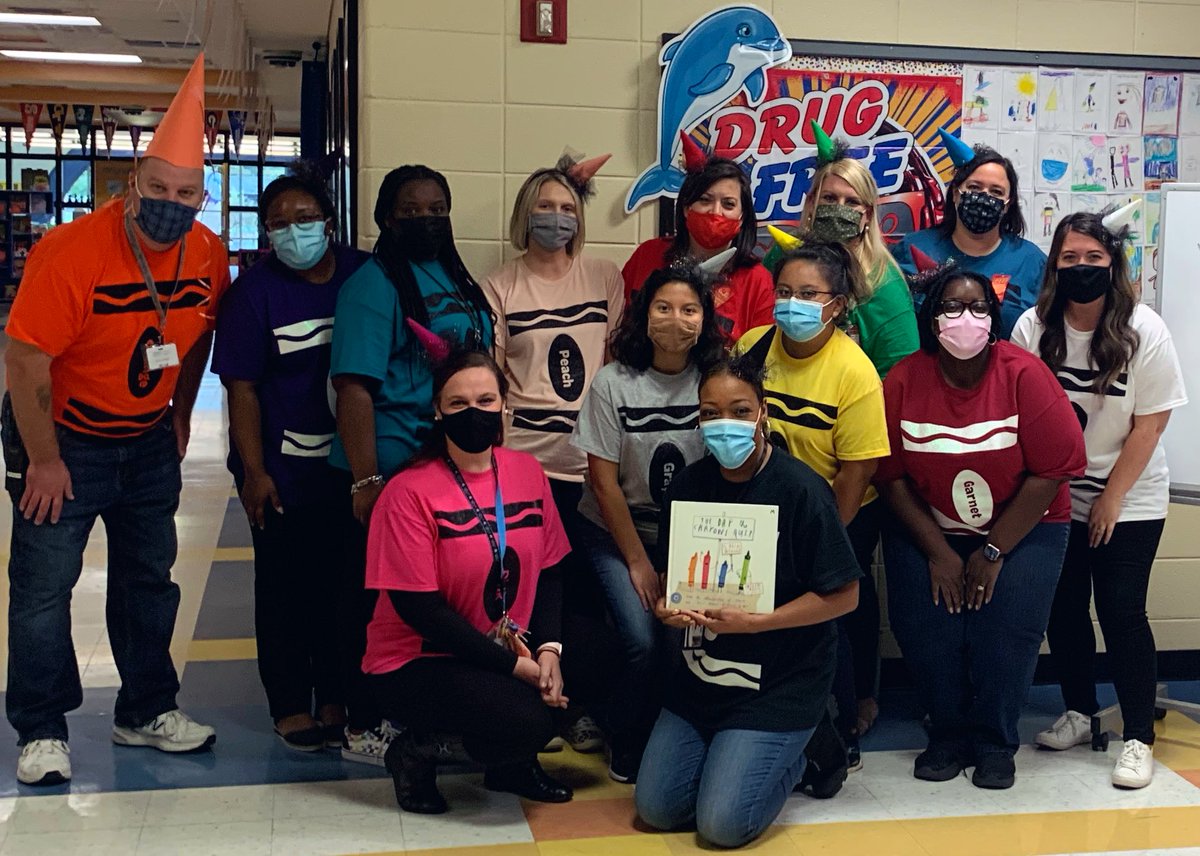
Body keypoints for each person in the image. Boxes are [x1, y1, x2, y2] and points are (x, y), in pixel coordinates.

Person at [1, 55, 225, 786]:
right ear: (134, 180)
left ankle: (147, 710)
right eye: (158, 188)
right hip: (62, 437)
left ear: (202, 195)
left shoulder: (207, 253)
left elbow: (199, 335)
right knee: (44, 587)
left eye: (185, 193)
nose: (170, 203)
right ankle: (41, 729)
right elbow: (25, 359)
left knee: (148, 580)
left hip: (148, 438)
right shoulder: (70, 252)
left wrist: (180, 414)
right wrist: (44, 460)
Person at [635, 356, 861, 849]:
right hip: (702, 678)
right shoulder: (688, 486)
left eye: (739, 411)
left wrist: (760, 622)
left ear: (763, 414)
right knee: (656, 809)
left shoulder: (802, 490)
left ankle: (811, 747)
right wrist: (667, 608)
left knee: (721, 826)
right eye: (710, 413)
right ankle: (735, 756)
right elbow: (674, 577)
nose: (725, 424)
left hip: (778, 682)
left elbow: (846, 595)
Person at [875, 266, 1085, 790]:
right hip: (928, 524)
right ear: (932, 318)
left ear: (993, 318)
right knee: (927, 627)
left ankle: (994, 741)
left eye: (977, 307)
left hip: (1024, 525)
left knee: (1005, 631)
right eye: (951, 306)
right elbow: (890, 476)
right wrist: (939, 553)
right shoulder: (902, 380)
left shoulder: (1024, 374)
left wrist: (992, 552)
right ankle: (946, 734)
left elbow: (1052, 471)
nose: (964, 317)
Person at [1012, 208, 1186, 789]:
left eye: (1094, 257)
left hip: (1129, 493)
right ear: (1054, 266)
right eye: (1070, 257)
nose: (1082, 267)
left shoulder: (1143, 328)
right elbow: (1022, 412)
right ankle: (1081, 713)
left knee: (1121, 610)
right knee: (1063, 608)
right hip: (1058, 490)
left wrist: (1111, 499)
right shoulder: (1033, 326)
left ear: (1113, 264)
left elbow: (1150, 425)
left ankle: (1138, 737)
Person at [330, 165, 494, 765]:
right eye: (410, 211)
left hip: (440, 472)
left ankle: (420, 715)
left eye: (436, 209)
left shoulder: (453, 273)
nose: (426, 220)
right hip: (389, 471)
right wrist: (367, 479)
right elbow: (353, 387)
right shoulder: (372, 285)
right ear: (385, 218)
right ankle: (362, 722)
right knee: (371, 606)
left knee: (427, 605)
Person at [366, 349, 575, 814]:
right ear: (437, 411)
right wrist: (516, 668)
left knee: (607, 659)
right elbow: (421, 611)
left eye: (485, 400)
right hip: (422, 657)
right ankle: (416, 751)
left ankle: (511, 766)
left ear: (504, 404)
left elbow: (550, 569)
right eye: (458, 403)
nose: (474, 413)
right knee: (531, 719)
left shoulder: (526, 471)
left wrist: (548, 651)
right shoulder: (407, 491)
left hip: (506, 639)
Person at [212, 163, 369, 751]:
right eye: (278, 224)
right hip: (282, 470)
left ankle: (334, 693)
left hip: (349, 467)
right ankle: (289, 702)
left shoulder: (362, 274)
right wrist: (254, 472)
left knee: (342, 586)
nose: (293, 231)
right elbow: (242, 389)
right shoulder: (253, 294)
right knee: (285, 588)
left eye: (304, 218)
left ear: (328, 221)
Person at [481, 155, 622, 754]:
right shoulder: (499, 286)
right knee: (530, 590)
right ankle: (534, 708)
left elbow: (615, 367)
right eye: (545, 206)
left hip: (591, 466)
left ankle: (580, 709)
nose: (557, 217)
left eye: (567, 208)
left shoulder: (605, 278)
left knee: (588, 593)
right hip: (525, 466)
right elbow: (493, 380)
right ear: (525, 213)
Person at [735, 241, 889, 769]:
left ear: (837, 305)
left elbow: (858, 471)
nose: (791, 304)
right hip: (764, 511)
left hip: (838, 511)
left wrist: (821, 542)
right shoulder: (753, 346)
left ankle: (841, 730)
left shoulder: (854, 373)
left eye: (807, 294)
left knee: (829, 618)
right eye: (784, 292)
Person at [569, 261, 724, 782]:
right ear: (644, 314)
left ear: (704, 319)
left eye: (689, 309)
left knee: (684, 640)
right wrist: (638, 562)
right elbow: (603, 483)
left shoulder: (714, 382)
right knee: (640, 637)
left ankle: (670, 734)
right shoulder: (613, 383)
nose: (676, 319)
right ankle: (622, 730)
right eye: (663, 307)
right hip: (615, 533)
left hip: (687, 536)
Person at [763, 121, 918, 379]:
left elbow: (899, 373)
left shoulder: (884, 284)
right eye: (829, 198)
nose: (839, 208)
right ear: (811, 203)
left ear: (868, 215)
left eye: (852, 202)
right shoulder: (783, 256)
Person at [892, 130, 1046, 340]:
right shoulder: (912, 249)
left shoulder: (1031, 262)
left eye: (996, 192)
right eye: (974, 187)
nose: (984, 197)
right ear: (956, 193)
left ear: (1007, 204)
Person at [621, 137, 773, 344]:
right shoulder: (648, 255)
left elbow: (759, 353)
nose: (716, 212)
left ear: (742, 216)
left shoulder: (757, 280)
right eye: (705, 200)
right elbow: (620, 326)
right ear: (686, 208)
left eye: (728, 204)